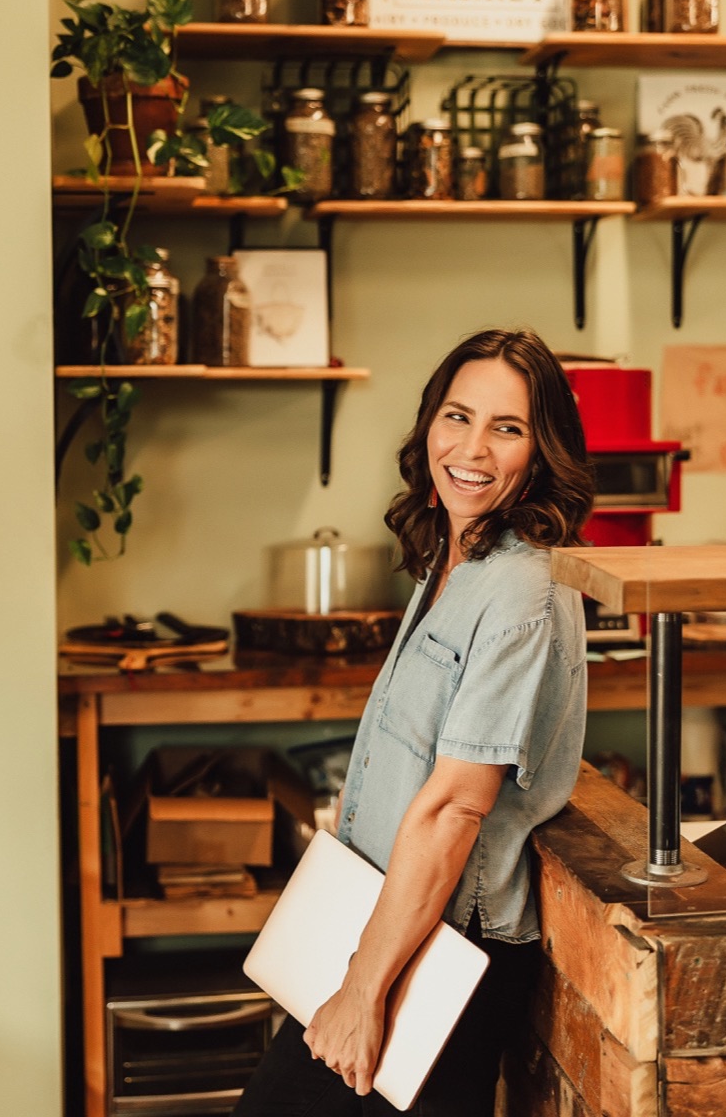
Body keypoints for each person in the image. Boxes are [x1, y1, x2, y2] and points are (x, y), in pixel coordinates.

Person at [234, 328, 595, 1117]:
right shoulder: (453, 556)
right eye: (456, 416)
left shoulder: (522, 592)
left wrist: (364, 991)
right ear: (429, 421)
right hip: (387, 923)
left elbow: (457, 805)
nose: (470, 447)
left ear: (542, 452)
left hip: (442, 952)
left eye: (507, 428)